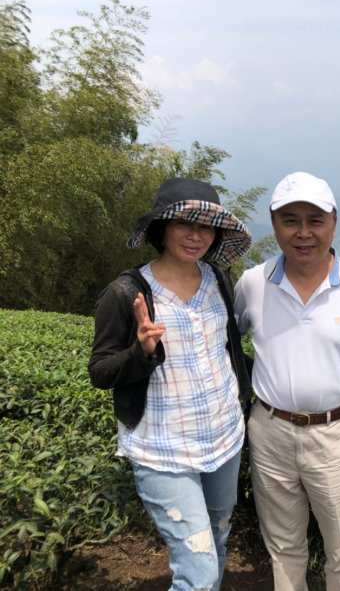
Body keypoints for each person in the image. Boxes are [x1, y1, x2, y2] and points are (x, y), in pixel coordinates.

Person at [88, 178, 253, 591]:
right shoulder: (127, 292)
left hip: (224, 437)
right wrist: (141, 351)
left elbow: (228, 349)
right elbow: (101, 371)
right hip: (163, 449)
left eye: (206, 227)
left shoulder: (218, 279)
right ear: (162, 228)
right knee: (196, 570)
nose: (196, 235)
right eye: (184, 224)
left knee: (216, 541)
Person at [234, 171, 340, 591]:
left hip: (336, 434)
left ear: (333, 223)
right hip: (269, 430)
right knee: (283, 544)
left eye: (314, 220)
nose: (303, 232)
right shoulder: (252, 284)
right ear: (274, 225)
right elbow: (227, 348)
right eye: (291, 220)